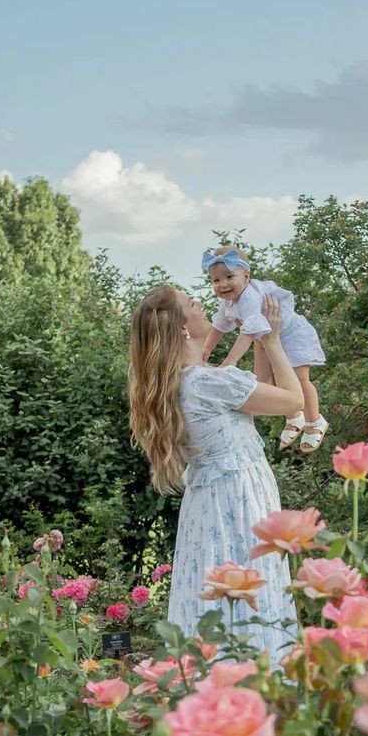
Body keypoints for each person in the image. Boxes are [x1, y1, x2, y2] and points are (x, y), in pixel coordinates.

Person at [128, 285, 302, 664]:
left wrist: (255, 336)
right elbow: (293, 400)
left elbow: (255, 392)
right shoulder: (209, 382)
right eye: (192, 303)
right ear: (182, 329)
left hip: (207, 506)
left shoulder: (181, 383)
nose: (202, 304)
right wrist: (272, 340)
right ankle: (259, 683)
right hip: (241, 501)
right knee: (254, 592)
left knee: (215, 598)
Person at [201, 245, 328, 453]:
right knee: (267, 382)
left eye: (229, 277)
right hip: (266, 337)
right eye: (216, 280)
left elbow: (248, 332)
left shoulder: (249, 298)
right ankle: (295, 416)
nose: (222, 284)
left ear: (246, 277)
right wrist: (206, 348)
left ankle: (315, 421)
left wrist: (230, 360)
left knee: (299, 380)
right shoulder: (228, 303)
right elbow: (220, 326)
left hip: (292, 334)